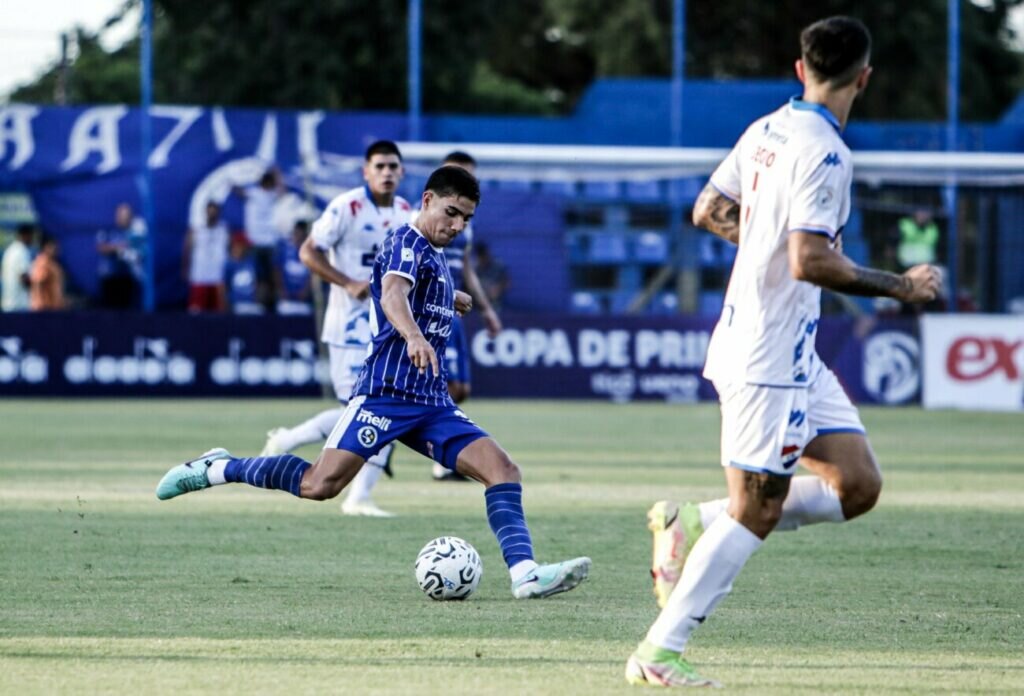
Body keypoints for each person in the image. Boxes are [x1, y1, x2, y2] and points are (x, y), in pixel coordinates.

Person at [626, 17, 941, 688]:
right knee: (760, 507)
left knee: (857, 485)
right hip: (766, 352)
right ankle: (659, 652)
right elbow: (809, 260)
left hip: (792, 352)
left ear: (801, 70)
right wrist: (901, 286)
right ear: (865, 78)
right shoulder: (827, 151)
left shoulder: (766, 128)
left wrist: (761, 239)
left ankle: (693, 519)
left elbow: (708, 209)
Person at [156, 165, 592, 600]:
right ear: (426, 200)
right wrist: (414, 335)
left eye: (466, 219)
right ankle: (217, 467)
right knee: (319, 486)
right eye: (452, 212)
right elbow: (392, 294)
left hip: (431, 402)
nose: (458, 225)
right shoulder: (406, 240)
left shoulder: (436, 254)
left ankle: (525, 575)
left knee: (503, 470)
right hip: (385, 396)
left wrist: (448, 296)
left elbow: (413, 288)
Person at [260, 140, 412, 517]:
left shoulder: (407, 213)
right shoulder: (346, 207)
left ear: (402, 172)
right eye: (380, 166)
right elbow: (308, 251)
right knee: (361, 410)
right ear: (366, 171)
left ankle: (360, 497)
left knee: (386, 409)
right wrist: (346, 282)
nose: (387, 173)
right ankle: (290, 439)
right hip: (347, 329)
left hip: (386, 330)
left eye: (393, 166)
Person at [422, 152, 503, 481]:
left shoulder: (463, 227)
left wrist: (487, 310)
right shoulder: (424, 223)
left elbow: (466, 269)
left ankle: (438, 452)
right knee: (448, 386)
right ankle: (440, 458)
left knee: (462, 387)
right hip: (432, 312)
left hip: (454, 311)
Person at [233, 167, 285, 311]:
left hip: (270, 241)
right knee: (258, 276)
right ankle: (258, 304)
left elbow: (282, 191)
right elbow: (237, 190)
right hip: (255, 242)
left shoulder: (271, 195)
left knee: (273, 275)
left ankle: (273, 303)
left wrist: (277, 174)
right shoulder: (254, 193)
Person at [96, 202, 145, 309]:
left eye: (127, 216)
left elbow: (136, 253)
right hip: (109, 277)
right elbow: (101, 248)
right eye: (121, 216)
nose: (123, 219)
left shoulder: (132, 232)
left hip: (126, 277)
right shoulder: (108, 230)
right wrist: (118, 247)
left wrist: (122, 248)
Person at [183, 201, 229, 313]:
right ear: (205, 212)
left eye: (215, 211)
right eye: (210, 211)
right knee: (196, 309)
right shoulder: (197, 230)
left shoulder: (224, 230)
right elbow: (187, 250)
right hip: (200, 275)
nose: (212, 214)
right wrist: (185, 268)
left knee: (218, 310)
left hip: (218, 276)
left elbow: (230, 249)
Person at [274, 220, 313, 316]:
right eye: (296, 233)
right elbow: (277, 270)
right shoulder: (284, 249)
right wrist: (281, 290)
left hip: (304, 302)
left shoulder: (312, 252)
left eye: (301, 235)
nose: (297, 237)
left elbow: (314, 274)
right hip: (286, 299)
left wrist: (306, 291)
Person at [224, 233, 263, 315]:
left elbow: (259, 282)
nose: (247, 248)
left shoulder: (252, 261)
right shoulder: (229, 264)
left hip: (252, 304)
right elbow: (224, 287)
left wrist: (258, 297)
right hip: (236, 305)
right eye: (244, 246)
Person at [2, 223, 35, 312]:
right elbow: (23, 278)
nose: (32, 240)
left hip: (8, 303)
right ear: (25, 235)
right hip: (19, 305)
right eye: (31, 236)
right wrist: (37, 287)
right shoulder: (21, 251)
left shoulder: (9, 250)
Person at [30, 236, 65, 311]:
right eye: (53, 246)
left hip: (54, 307)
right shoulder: (42, 262)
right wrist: (40, 304)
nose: (56, 249)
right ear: (45, 247)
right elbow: (38, 283)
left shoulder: (52, 263)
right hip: (45, 309)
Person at [473, 240, 510, 310]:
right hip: (477, 304)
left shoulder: (497, 266)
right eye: (480, 258)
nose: (483, 260)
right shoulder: (474, 268)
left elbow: (507, 282)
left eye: (484, 256)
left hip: (494, 304)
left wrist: (498, 289)